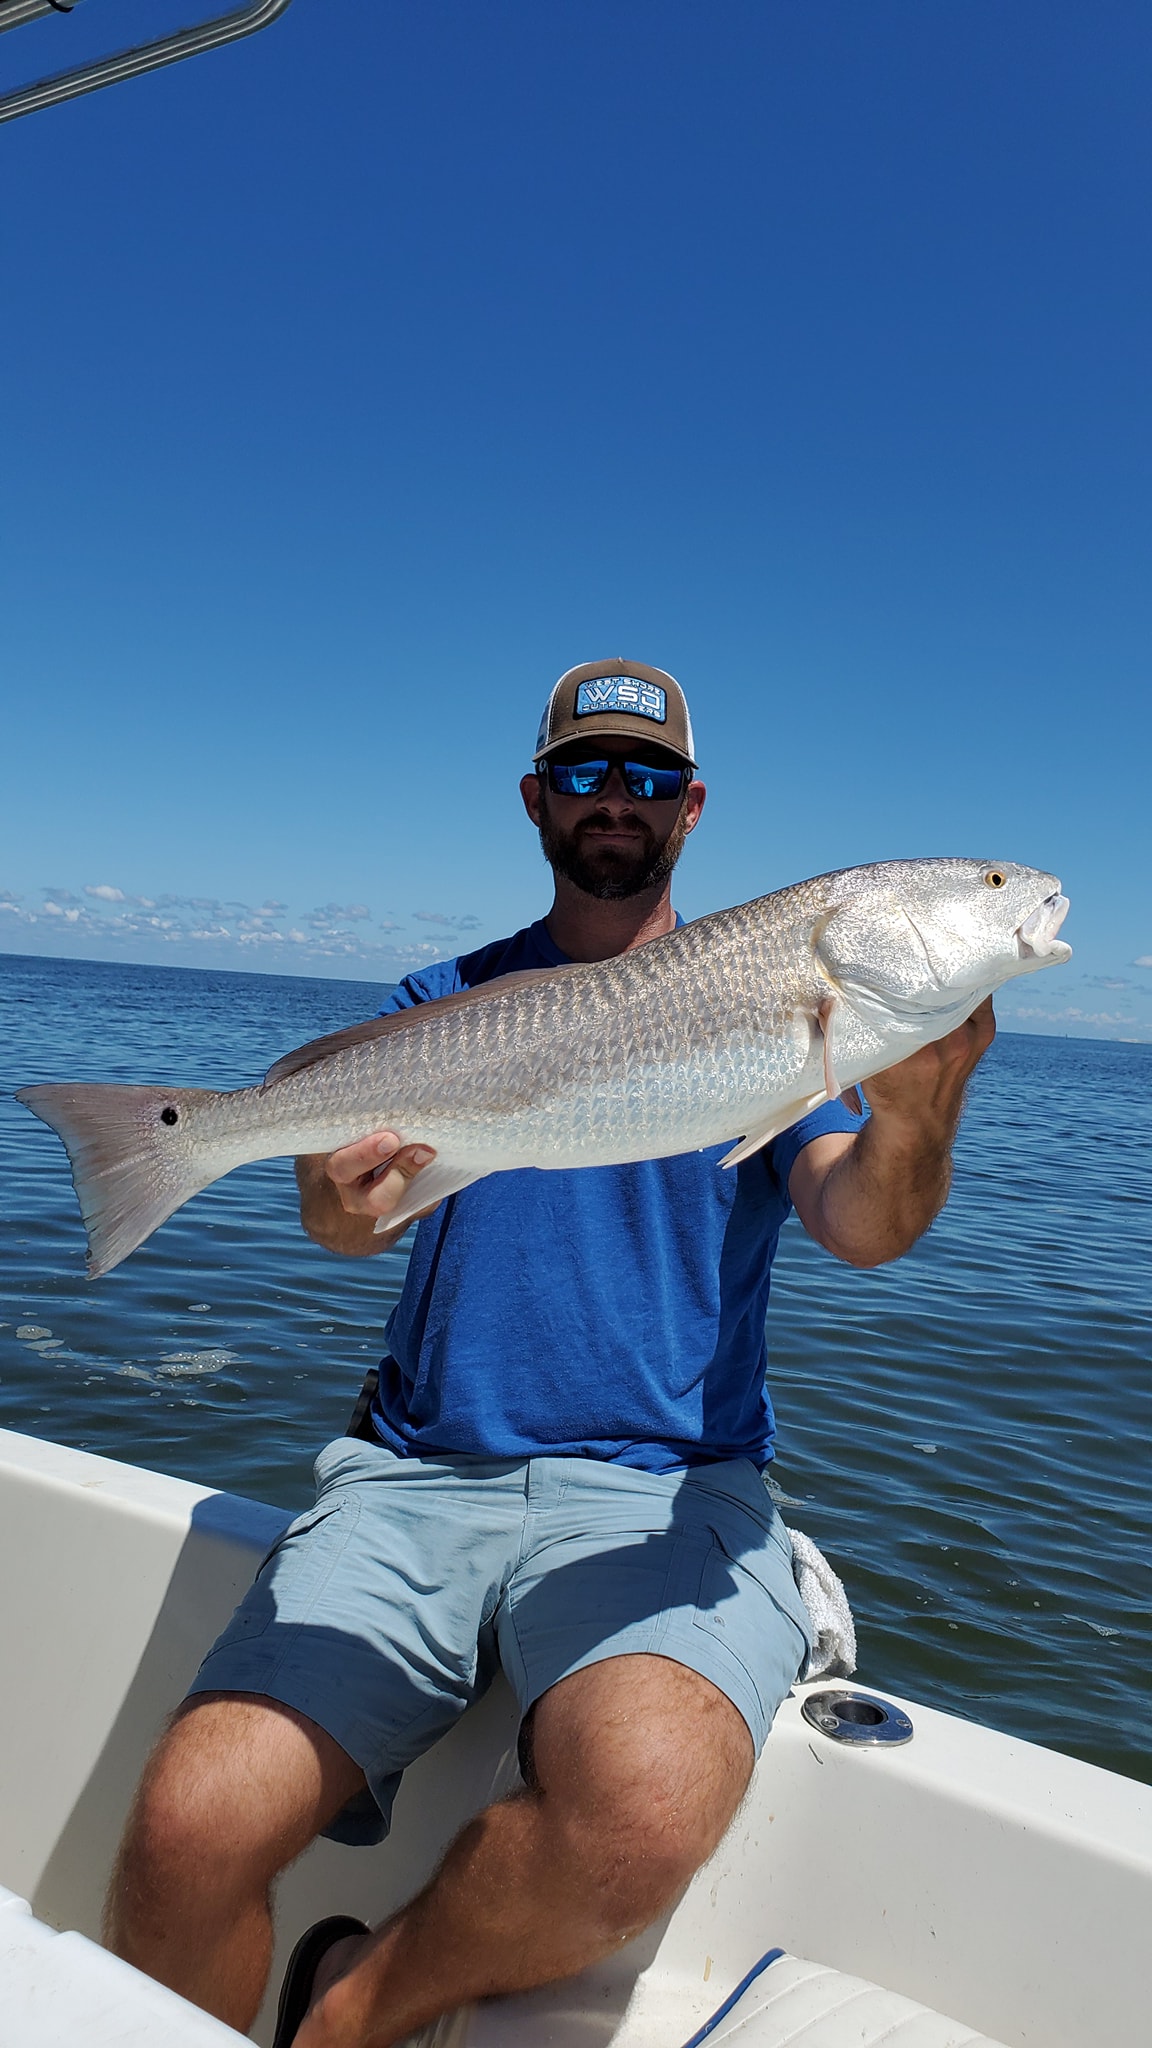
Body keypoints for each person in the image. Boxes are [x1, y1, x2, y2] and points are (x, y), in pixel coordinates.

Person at [105, 661, 995, 2048]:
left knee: (637, 1815)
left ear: (692, 808)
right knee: (184, 1828)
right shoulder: (445, 997)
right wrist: (324, 1195)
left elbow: (861, 1222)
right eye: (586, 773)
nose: (616, 803)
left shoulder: (803, 1022)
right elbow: (347, 1224)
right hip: (415, 1476)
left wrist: (919, 1111)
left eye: (646, 779)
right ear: (538, 797)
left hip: (668, 1490)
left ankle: (347, 2014)